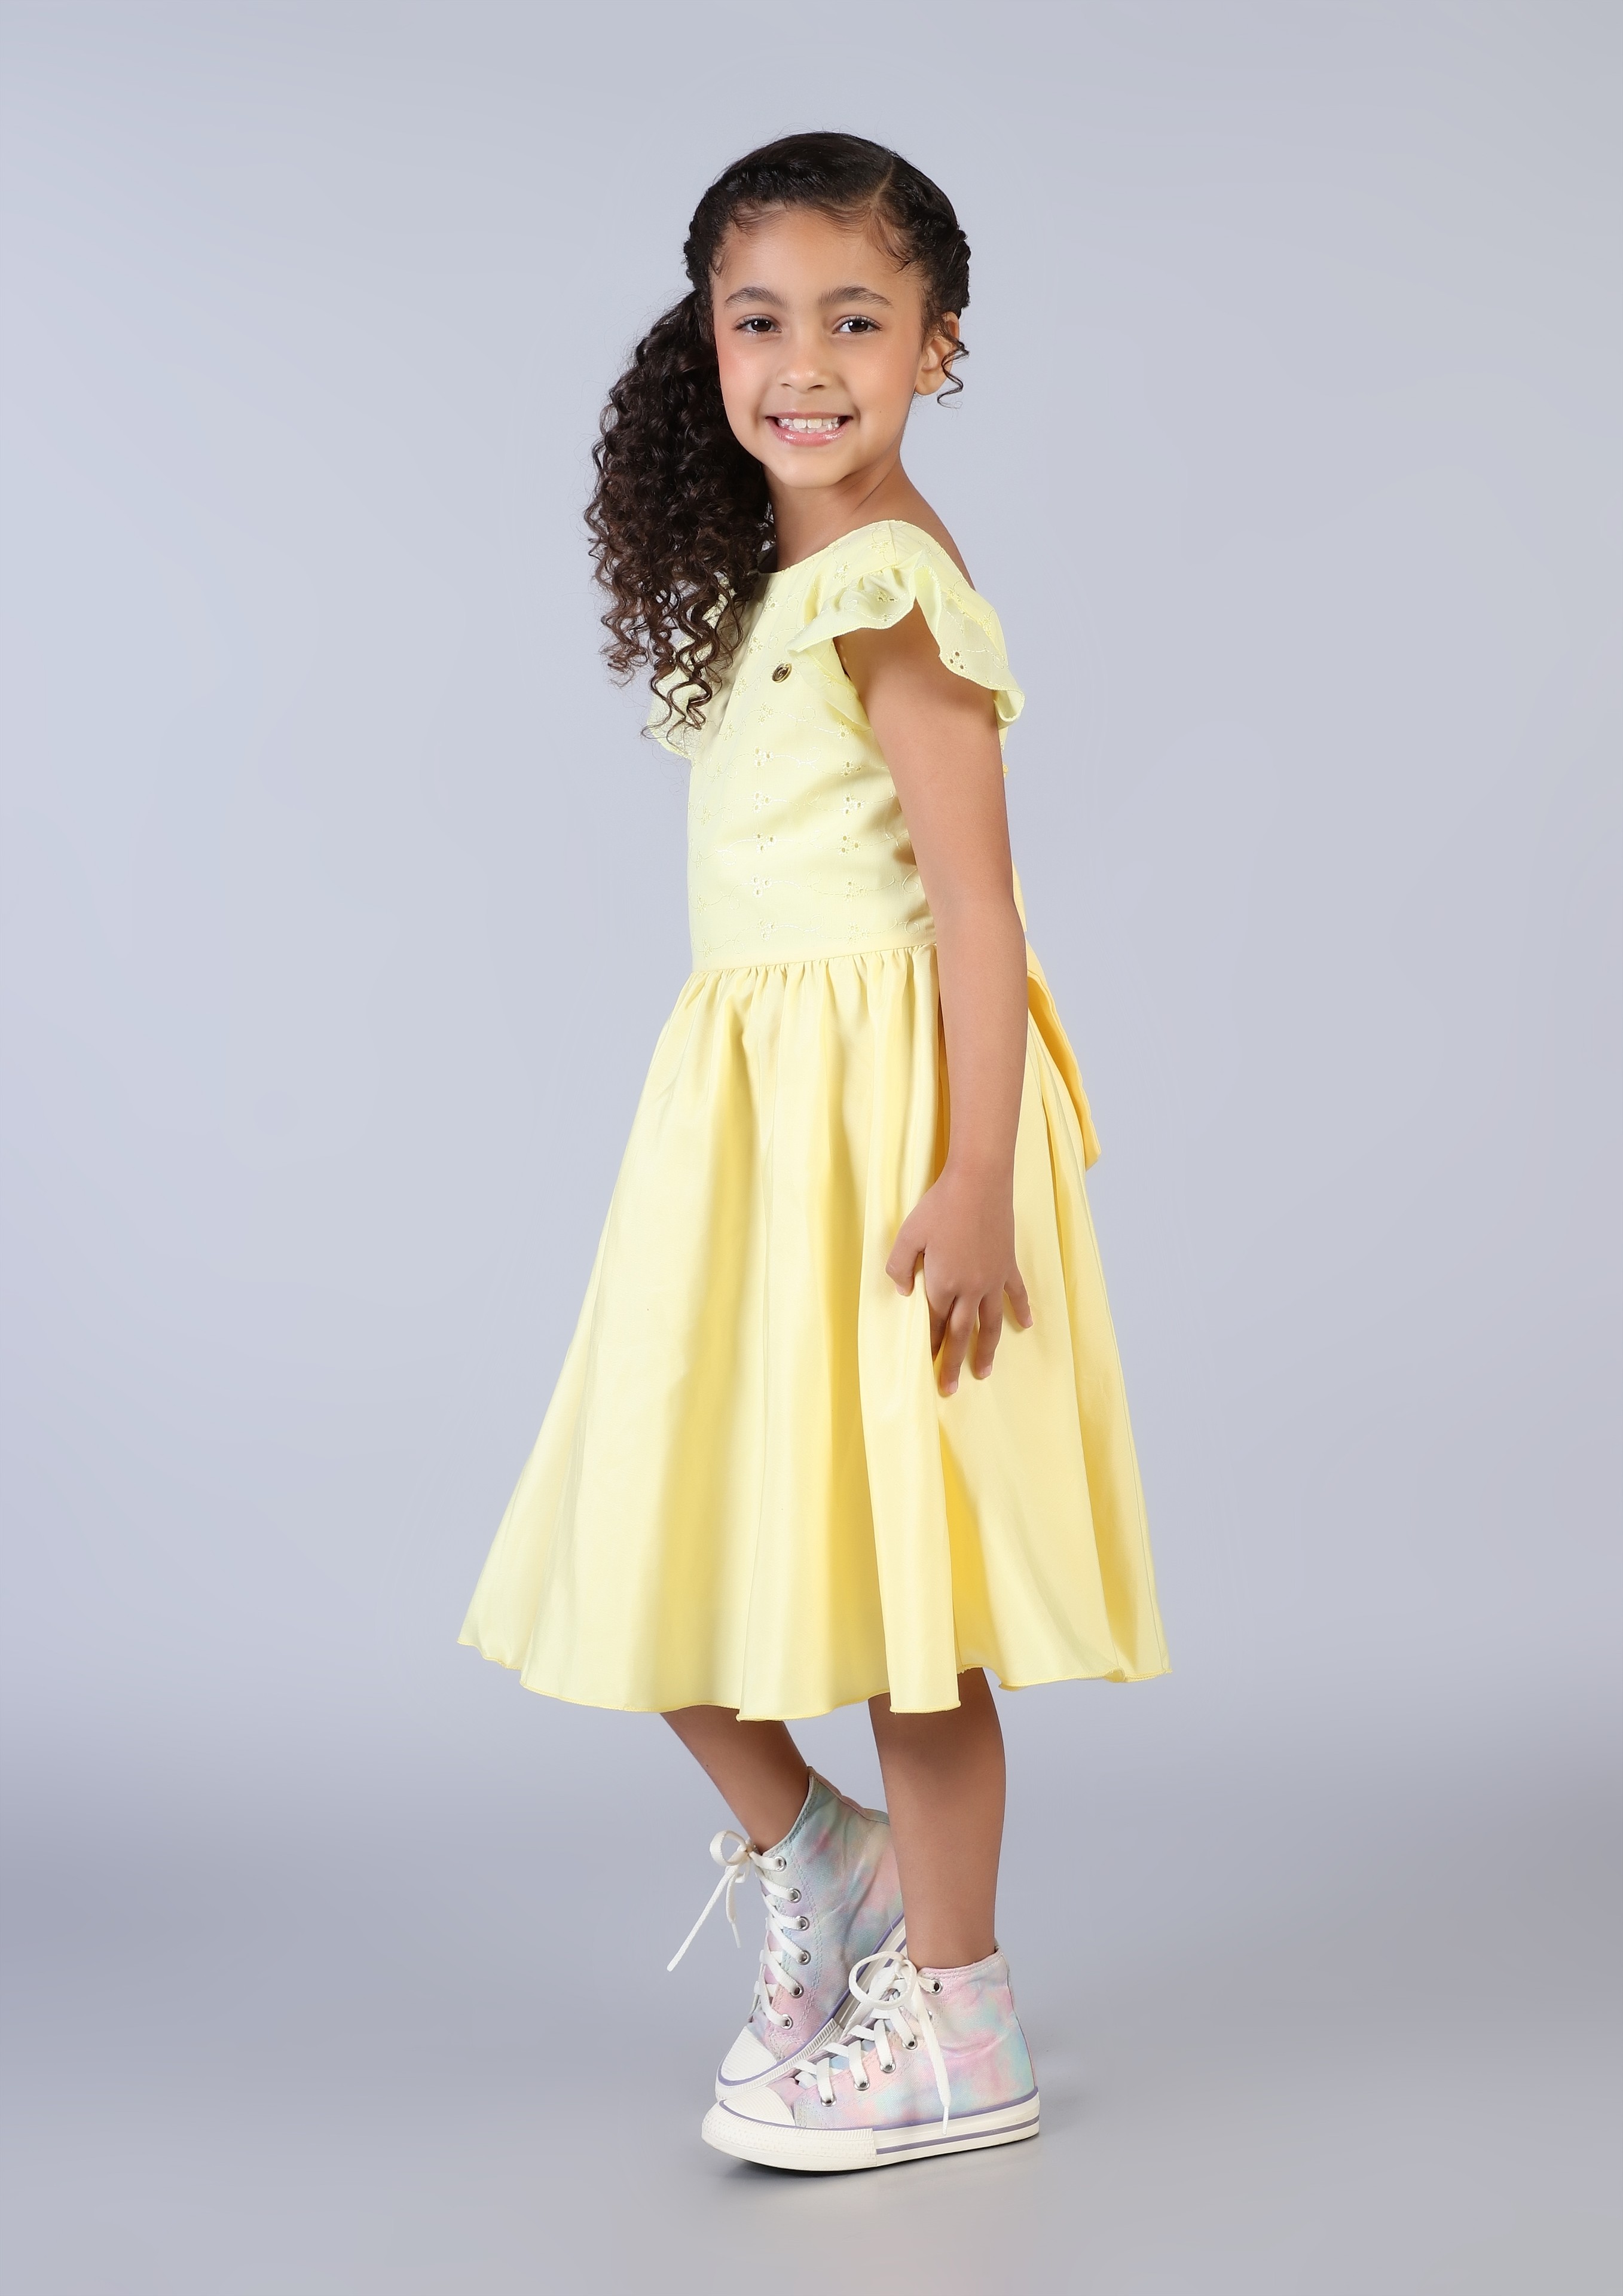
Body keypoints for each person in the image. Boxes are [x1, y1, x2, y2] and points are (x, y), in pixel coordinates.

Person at [460, 132, 1169, 2173]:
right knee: (665, 1525)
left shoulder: (889, 586)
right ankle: (830, 1861)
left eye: (856, 321)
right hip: (756, 1126)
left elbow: (979, 911)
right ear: (704, 339)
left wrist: (972, 1176)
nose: (802, 363)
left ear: (936, 348)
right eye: (758, 319)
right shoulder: (781, 573)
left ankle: (959, 2026)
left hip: (890, 1133)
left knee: (903, 1596)